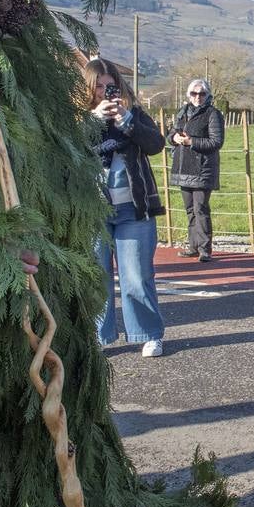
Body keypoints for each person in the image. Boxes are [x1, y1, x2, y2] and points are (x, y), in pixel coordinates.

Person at [84, 57, 168, 357]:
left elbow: (156, 144)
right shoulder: (77, 118)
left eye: (112, 86)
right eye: (100, 86)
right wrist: (94, 119)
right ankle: (98, 335)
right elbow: (69, 146)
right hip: (93, 209)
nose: (107, 92)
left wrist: (126, 121)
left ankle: (148, 334)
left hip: (134, 208)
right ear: (88, 88)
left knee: (136, 275)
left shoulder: (133, 114)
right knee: (96, 275)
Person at [168, 78, 225, 263]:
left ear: (208, 95)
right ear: (188, 95)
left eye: (202, 93)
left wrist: (191, 142)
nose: (198, 97)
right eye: (194, 93)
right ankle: (193, 245)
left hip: (203, 168)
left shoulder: (213, 114)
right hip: (183, 167)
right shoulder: (182, 112)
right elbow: (170, 133)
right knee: (190, 209)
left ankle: (205, 249)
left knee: (201, 208)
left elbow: (216, 142)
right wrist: (174, 137)